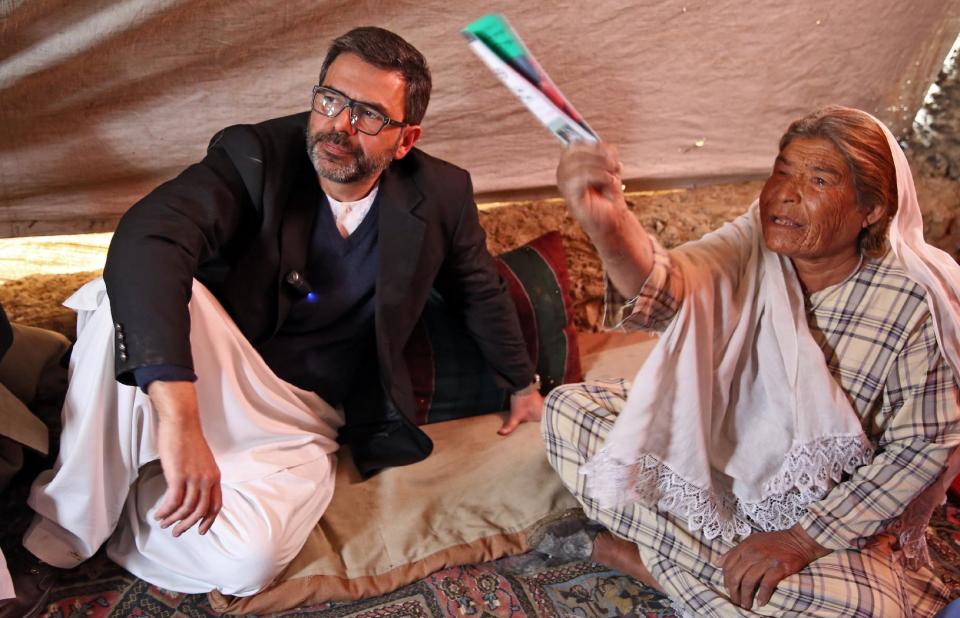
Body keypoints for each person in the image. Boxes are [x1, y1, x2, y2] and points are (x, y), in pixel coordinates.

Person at [0, 26, 543, 615]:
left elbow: (475, 288)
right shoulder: (252, 155)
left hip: (302, 415)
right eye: (329, 99)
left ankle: (130, 492)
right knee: (117, 300)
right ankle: (62, 535)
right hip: (218, 365)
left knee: (249, 562)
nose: (339, 125)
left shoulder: (442, 193)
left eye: (367, 115)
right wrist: (181, 420)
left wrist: (521, 381)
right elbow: (150, 236)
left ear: (405, 138)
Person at [544, 106, 960, 616]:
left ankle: (638, 558)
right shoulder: (751, 240)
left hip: (830, 515)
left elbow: (919, 448)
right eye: (782, 171)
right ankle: (720, 581)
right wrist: (608, 224)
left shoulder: (915, 299)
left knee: (858, 611)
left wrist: (802, 541)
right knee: (567, 412)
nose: (785, 193)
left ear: (871, 209)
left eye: (818, 179)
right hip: (721, 465)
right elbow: (668, 289)